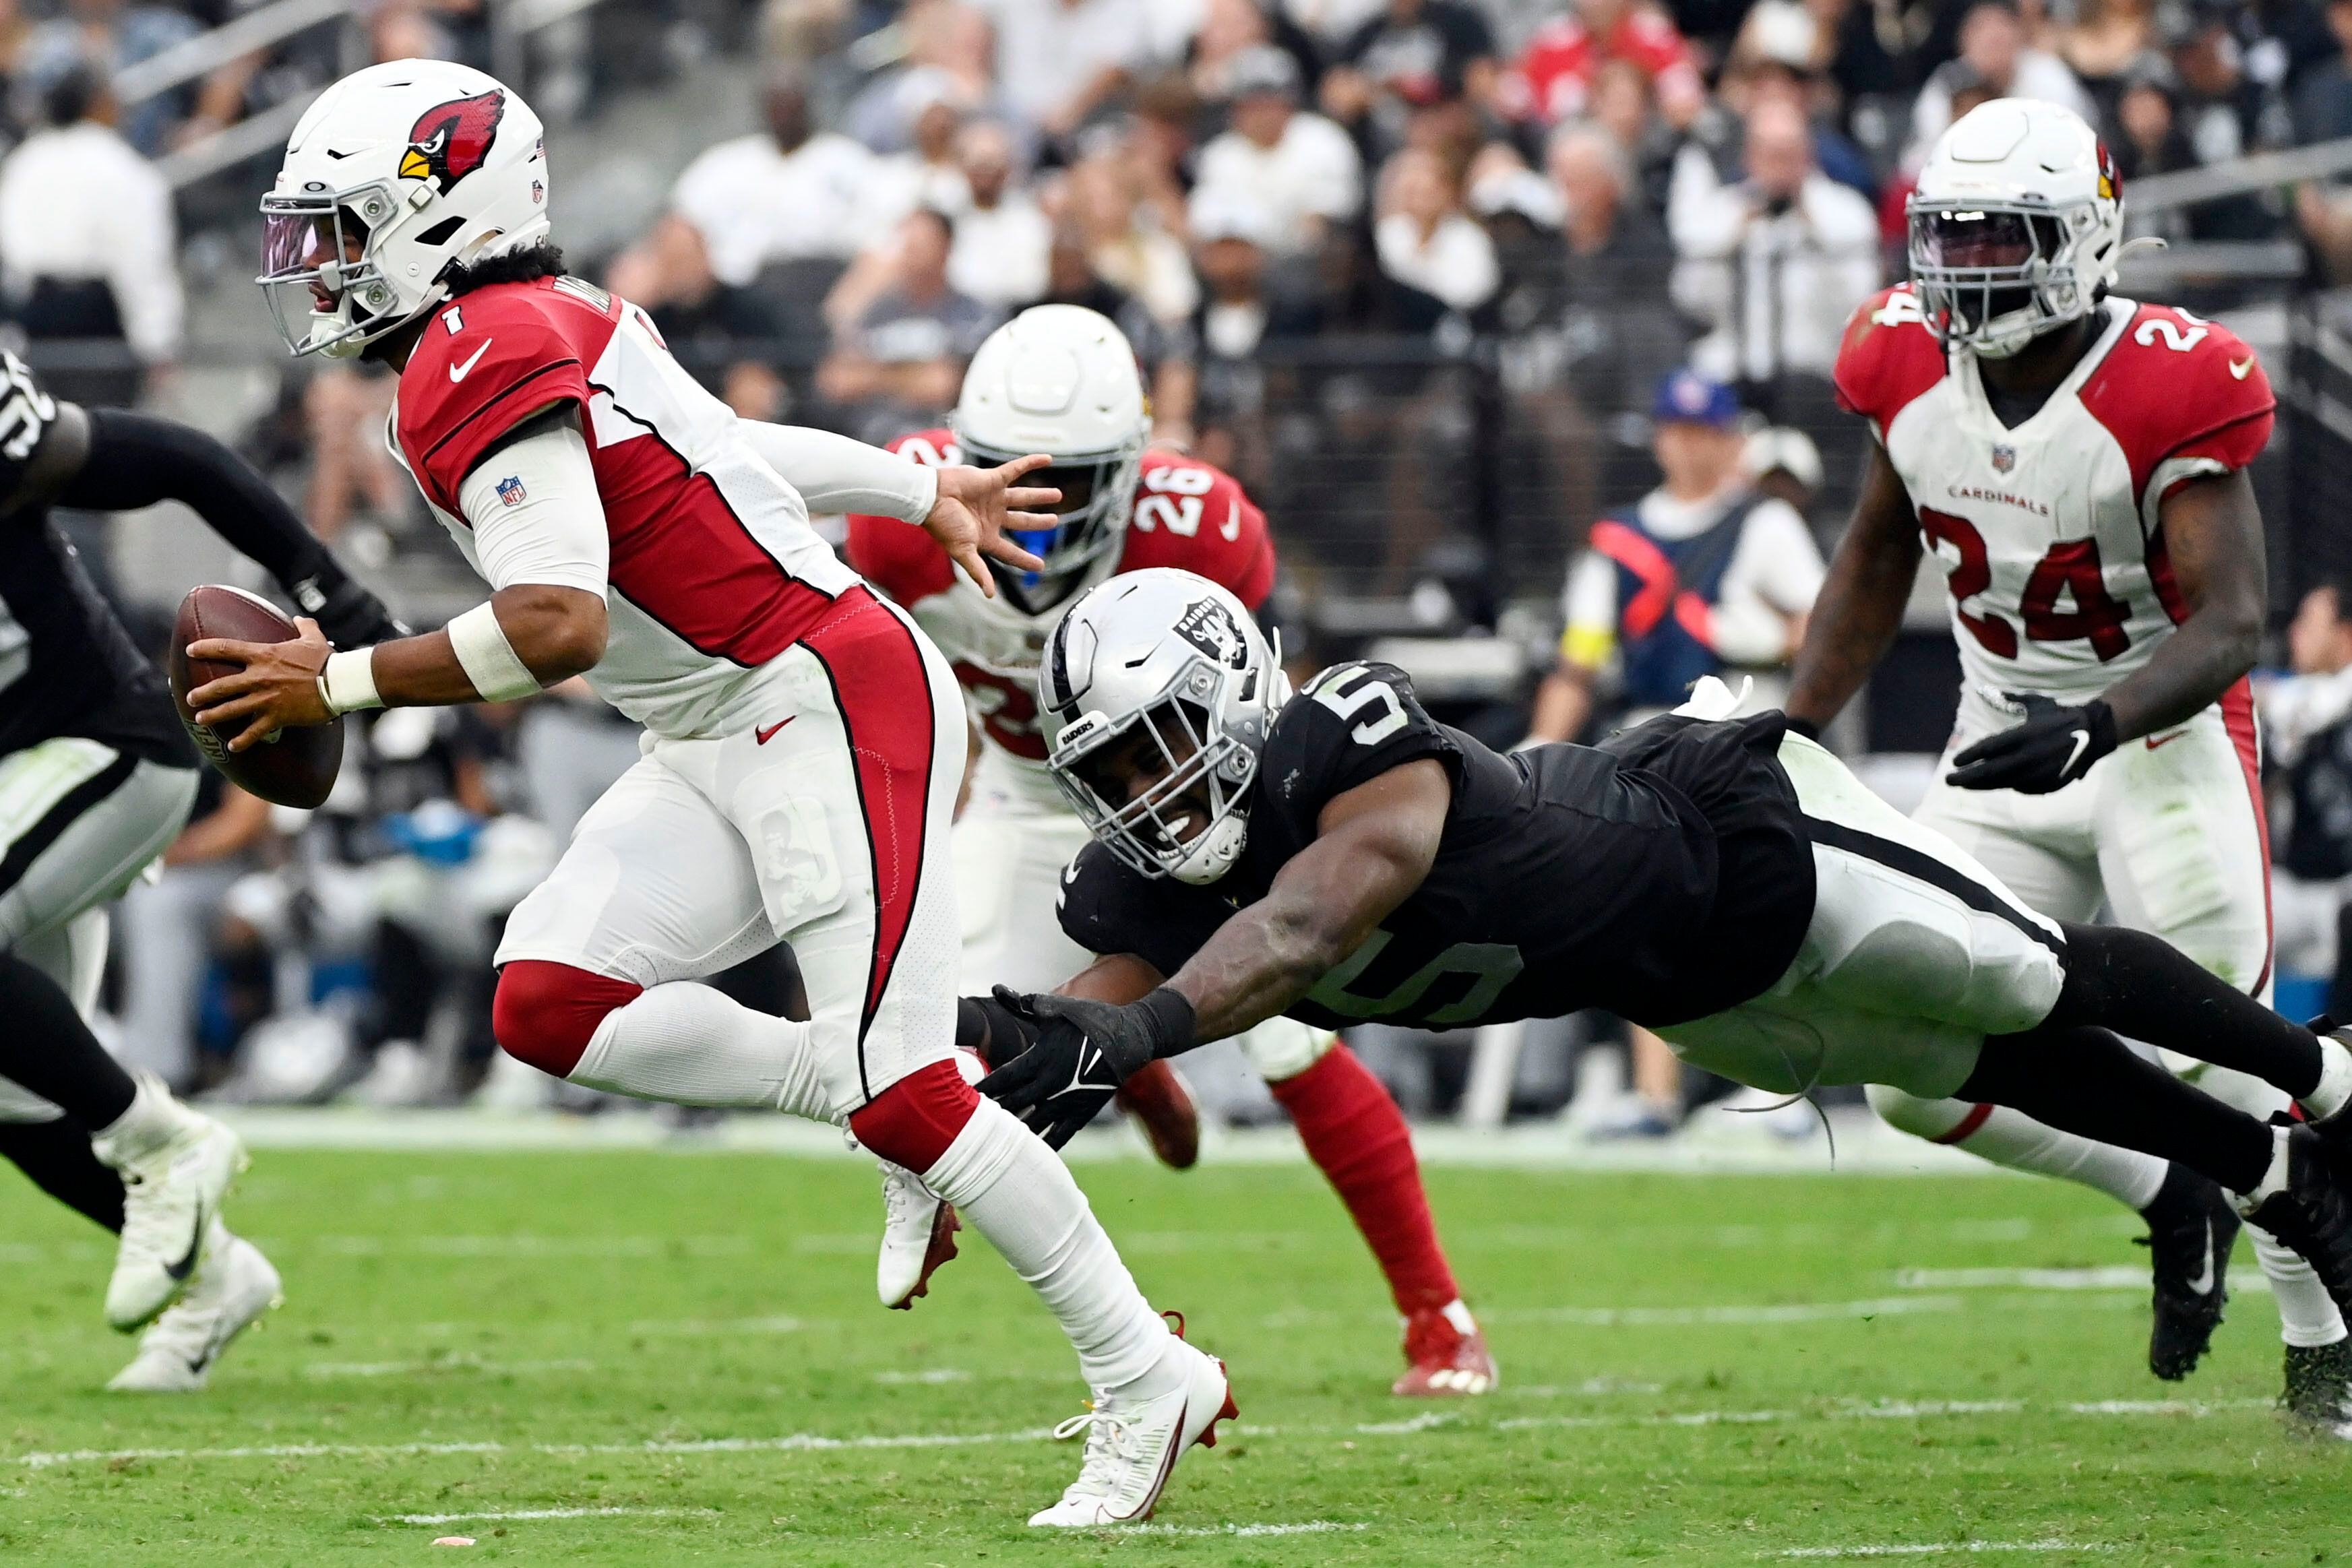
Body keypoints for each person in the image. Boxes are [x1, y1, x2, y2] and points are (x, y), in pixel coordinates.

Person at [232, 61, 1231, 1527]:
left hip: (819, 696)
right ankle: (872, 1078)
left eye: (343, 227)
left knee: (908, 1094)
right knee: (547, 998)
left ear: (436, 218)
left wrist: (342, 681)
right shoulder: (543, 323)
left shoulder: (482, 347)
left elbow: (559, 620)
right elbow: (732, 453)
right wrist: (916, 490)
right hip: (713, 721)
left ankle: (1146, 1372)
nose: (317, 265)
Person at [977, 569, 2352, 1367]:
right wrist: (996, 1070)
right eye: (1111, 771)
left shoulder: (1338, 735)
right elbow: (1092, 1012)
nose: (1145, 793)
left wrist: (1133, 1033)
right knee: (1974, 1061)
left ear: (1229, 696)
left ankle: (2325, 1076)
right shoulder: (1137, 880)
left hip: (1724, 827)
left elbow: (1304, 927)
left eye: (1158, 743)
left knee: (2022, 978)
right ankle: (2254, 1175)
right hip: (1680, 988)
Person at [1780, 98, 2352, 1426]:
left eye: (2003, 237)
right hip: (1997, 734)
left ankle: (2321, 1334)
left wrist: (2096, 721)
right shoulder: (1896, 360)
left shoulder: (2168, 377)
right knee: (1910, 1071)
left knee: (2225, 1061)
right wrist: (1790, 720)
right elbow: (1874, 552)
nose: (1967, 267)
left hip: (2153, 733)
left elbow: (2229, 619)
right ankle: (2167, 1185)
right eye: (1950, 237)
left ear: (2085, 239)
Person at [845, 305, 1496, 1398]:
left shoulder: (1202, 530)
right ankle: (1147, 1340)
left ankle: (1439, 1314)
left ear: (1135, 471)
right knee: (951, 1087)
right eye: (1003, 475)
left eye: (1069, 484)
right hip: (1019, 791)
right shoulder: (896, 517)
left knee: (1289, 1035)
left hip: (1183, 805)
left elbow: (1257, 710)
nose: (1036, 515)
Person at [0, 346, 402, 1390]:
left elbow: (179, 458)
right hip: (22, 779)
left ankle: (163, 1140)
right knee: (21, 1093)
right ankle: (221, 1275)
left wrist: (335, 593)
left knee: (76, 1093)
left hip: (103, 746)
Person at [1526, 369, 1822, 747]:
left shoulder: (1767, 522)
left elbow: (1822, 626)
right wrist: (1539, 746)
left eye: (1704, 432)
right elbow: (1578, 666)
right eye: (1677, 431)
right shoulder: (1618, 540)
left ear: (1732, 441)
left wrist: (1772, 643)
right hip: (1647, 730)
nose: (1689, 446)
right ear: (1658, 439)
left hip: (1745, 727)